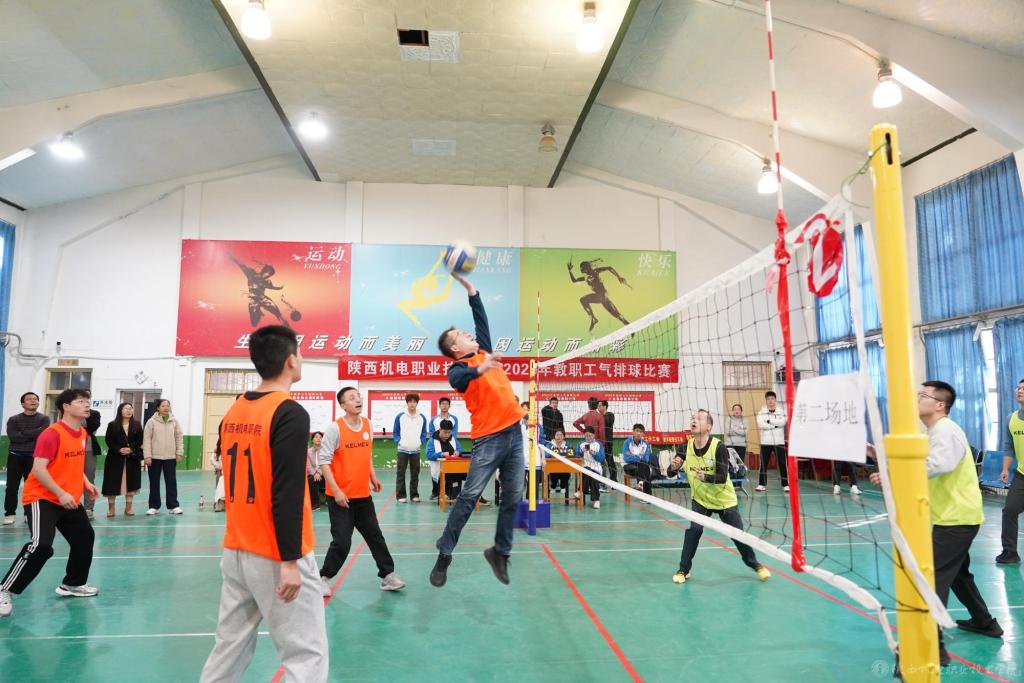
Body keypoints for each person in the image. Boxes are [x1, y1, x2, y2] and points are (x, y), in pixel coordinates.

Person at [200, 325, 326, 682]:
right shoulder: (289, 412)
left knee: (229, 646)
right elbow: (287, 492)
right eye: (299, 352)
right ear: (290, 361)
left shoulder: (236, 409)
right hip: (275, 552)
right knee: (306, 653)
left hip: (237, 549)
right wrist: (290, 560)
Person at [870, 381, 1002, 667]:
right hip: (952, 516)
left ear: (940, 404)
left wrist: (892, 473)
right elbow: (922, 461)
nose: (917, 399)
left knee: (931, 579)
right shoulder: (933, 432)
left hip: (957, 518)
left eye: (923, 395)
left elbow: (937, 465)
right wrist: (881, 458)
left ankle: (930, 645)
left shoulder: (945, 430)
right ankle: (985, 623)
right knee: (958, 575)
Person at [432, 272, 525, 587]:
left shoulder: (484, 350)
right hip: (489, 439)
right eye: (460, 334)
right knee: (469, 496)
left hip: (514, 434)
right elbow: (457, 380)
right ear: (455, 348)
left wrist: (471, 290)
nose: (468, 333)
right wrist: (481, 368)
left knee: (513, 495)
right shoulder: (460, 367)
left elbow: (480, 319)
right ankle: (445, 553)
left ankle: (500, 552)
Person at [0, 388, 100, 618]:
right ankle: (5, 589)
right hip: (42, 497)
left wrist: (85, 482)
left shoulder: (82, 433)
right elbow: (39, 469)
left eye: (88, 401)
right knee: (41, 546)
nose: (87, 405)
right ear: (66, 406)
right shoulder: (52, 434)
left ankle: (73, 584)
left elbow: (73, 463)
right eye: (81, 401)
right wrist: (60, 493)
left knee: (85, 537)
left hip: (68, 498)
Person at [318, 387, 405, 595]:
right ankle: (323, 578)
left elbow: (366, 454)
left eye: (358, 396)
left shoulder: (368, 424)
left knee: (375, 536)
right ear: (343, 406)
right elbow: (323, 462)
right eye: (352, 398)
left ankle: (387, 575)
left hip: (363, 495)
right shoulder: (335, 429)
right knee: (342, 541)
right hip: (341, 498)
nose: (358, 400)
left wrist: (372, 476)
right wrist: (337, 491)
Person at [668, 410, 771, 585]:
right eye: (693, 418)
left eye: (699, 418)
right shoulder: (685, 447)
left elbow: (723, 477)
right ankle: (683, 570)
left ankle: (755, 565)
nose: (694, 420)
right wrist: (673, 467)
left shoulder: (719, 447)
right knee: (694, 531)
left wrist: (705, 477)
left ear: (709, 427)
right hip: (700, 499)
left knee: (738, 535)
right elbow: (670, 472)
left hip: (724, 500)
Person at [4, 392, 50, 525]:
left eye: (35, 399)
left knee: (32, 487)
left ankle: (28, 513)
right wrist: (33, 434)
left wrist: (23, 433)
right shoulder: (13, 419)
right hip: (15, 456)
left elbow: (42, 434)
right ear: (23, 404)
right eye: (29, 399)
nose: (33, 401)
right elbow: (13, 437)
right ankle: (10, 513)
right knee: (11, 487)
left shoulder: (44, 419)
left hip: (34, 458)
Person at [996, 378, 1024, 565]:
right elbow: (1009, 447)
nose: (1019, 391)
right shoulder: (1011, 419)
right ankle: (1010, 553)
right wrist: (1005, 468)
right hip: (1022, 475)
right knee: (1010, 511)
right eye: (1018, 387)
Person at [102, 402, 143, 517]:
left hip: (132, 458)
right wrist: (119, 449)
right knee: (111, 483)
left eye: (131, 408)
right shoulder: (112, 425)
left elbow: (140, 440)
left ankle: (128, 508)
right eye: (126, 409)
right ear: (120, 410)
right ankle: (111, 509)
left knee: (131, 483)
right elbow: (108, 440)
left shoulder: (137, 425)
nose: (129, 411)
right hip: (114, 458)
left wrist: (131, 449)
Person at [143, 399, 184, 515]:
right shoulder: (151, 422)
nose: (166, 408)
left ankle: (173, 506)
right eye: (163, 406)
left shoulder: (174, 421)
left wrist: (179, 452)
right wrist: (147, 455)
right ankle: (154, 506)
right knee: (154, 482)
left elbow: (179, 437)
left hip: (170, 457)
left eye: (167, 406)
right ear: (158, 408)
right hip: (154, 457)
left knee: (171, 481)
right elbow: (146, 439)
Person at [567, 257, 631, 331]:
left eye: (581, 268)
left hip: (602, 295)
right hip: (602, 298)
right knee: (616, 314)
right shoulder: (586, 277)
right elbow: (574, 280)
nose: (580, 269)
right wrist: (570, 271)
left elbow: (609, 268)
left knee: (583, 300)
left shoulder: (595, 271)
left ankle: (594, 319)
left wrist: (619, 277)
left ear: (586, 268)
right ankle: (629, 326)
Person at [392, 393, 427, 503]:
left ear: (417, 403)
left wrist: (420, 442)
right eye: (410, 402)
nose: (412, 404)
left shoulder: (422, 417)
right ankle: (401, 496)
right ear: (407, 403)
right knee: (400, 473)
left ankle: (414, 495)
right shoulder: (400, 416)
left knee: (415, 474)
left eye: (414, 402)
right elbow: (395, 432)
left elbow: (424, 432)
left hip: (416, 450)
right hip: (402, 450)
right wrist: (399, 441)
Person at [756, 391, 789, 492]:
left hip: (779, 442)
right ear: (766, 401)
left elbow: (783, 422)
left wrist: (769, 421)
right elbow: (761, 425)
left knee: (782, 463)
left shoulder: (781, 411)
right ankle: (761, 484)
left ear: (775, 400)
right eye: (768, 399)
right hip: (765, 442)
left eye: (772, 399)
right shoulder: (761, 412)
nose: (770, 401)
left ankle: (785, 485)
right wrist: (775, 426)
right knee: (763, 464)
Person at [427, 419, 462, 502]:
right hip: (440, 468)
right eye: (445, 432)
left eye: (449, 432)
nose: (447, 435)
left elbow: (459, 449)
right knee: (442, 480)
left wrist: (458, 452)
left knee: (458, 476)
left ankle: (454, 494)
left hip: (452, 468)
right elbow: (429, 455)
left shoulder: (453, 439)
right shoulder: (432, 441)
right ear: (440, 430)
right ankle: (439, 493)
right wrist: (441, 454)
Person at [622, 424, 658, 495]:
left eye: (641, 432)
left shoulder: (645, 444)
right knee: (645, 470)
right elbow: (626, 458)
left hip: (642, 466)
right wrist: (639, 457)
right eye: (637, 431)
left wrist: (633, 456)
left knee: (644, 466)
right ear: (633, 432)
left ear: (643, 434)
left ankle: (640, 484)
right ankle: (648, 496)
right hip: (629, 466)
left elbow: (646, 459)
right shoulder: (627, 442)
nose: (638, 433)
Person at [576, 427, 605, 509]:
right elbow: (576, 456)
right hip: (584, 467)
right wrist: (581, 452)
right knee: (588, 472)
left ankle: (581, 491)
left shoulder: (599, 445)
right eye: (586, 436)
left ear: (594, 435)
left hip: (596, 469)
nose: (588, 437)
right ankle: (596, 500)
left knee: (592, 475)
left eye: (590, 435)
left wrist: (594, 454)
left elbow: (602, 459)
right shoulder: (581, 444)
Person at [82, 409, 102, 521]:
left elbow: (93, 426)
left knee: (89, 478)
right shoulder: (70, 411)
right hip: (70, 448)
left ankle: (88, 508)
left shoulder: (94, 413)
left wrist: (81, 419)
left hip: (89, 449)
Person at [546, 429, 573, 494]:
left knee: (566, 473)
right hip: (553, 466)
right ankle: (553, 486)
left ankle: (563, 486)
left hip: (564, 467)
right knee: (554, 474)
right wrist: (553, 454)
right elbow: (546, 455)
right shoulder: (549, 444)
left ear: (564, 437)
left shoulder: (568, 444)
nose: (559, 437)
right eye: (557, 435)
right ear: (554, 436)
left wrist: (560, 453)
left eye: (561, 435)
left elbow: (571, 455)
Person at [598, 400, 617, 484]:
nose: (598, 408)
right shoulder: (598, 416)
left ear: (605, 407)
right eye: (598, 406)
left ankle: (614, 481)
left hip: (607, 442)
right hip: (599, 442)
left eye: (600, 406)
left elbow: (607, 422)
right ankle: (600, 481)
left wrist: (599, 417)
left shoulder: (610, 415)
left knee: (610, 461)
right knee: (599, 461)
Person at [307, 432, 325, 511]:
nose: (318, 439)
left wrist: (319, 473)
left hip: (324, 474)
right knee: (311, 479)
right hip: (313, 475)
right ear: (312, 440)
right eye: (316, 437)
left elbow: (325, 464)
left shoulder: (326, 451)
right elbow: (308, 465)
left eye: (320, 437)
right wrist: (315, 473)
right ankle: (315, 504)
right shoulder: (308, 452)